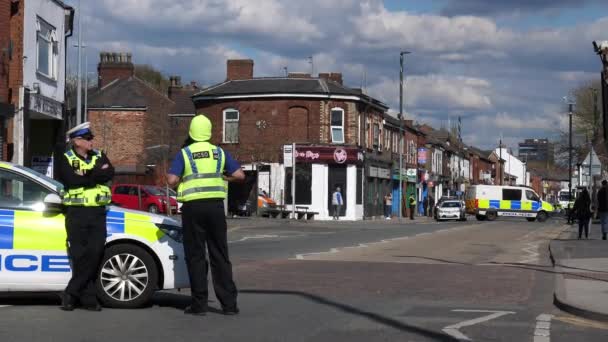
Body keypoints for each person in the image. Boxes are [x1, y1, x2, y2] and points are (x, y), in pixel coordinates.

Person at [167, 114, 245, 316]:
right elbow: (240, 175)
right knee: (220, 255)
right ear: (209, 132)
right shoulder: (219, 153)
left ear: (191, 132)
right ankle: (229, 305)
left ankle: (199, 305)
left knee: (196, 256)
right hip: (216, 208)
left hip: (193, 209)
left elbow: (171, 180)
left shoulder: (185, 154)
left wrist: (184, 177)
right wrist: (223, 177)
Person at [57, 122, 114, 311]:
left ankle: (71, 292)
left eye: (91, 138)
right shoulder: (65, 158)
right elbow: (71, 180)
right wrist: (94, 174)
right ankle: (89, 299)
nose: (92, 141)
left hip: (97, 214)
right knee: (80, 256)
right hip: (76, 213)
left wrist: (85, 175)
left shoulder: (99, 155)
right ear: (77, 141)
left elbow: (109, 173)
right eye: (88, 138)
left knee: (96, 252)